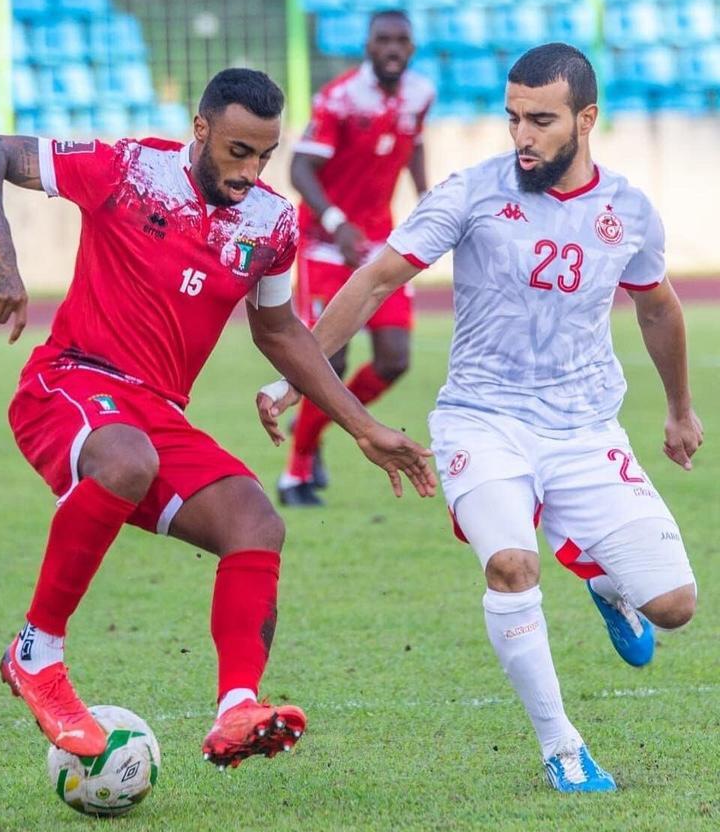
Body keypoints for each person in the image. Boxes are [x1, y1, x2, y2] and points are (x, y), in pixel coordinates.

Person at [0, 68, 437, 768]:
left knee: (255, 521)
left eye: (264, 156)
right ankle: (37, 653)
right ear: (201, 130)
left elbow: (278, 331)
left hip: (155, 415)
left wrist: (362, 425)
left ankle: (238, 707)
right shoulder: (128, 170)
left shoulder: (271, 222)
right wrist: (1, 251)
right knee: (127, 461)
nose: (251, 171)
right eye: (238, 151)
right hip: (71, 381)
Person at [257, 44, 700, 791]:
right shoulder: (471, 193)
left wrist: (681, 410)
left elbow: (657, 306)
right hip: (482, 421)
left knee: (676, 606)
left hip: (587, 429)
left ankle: (603, 581)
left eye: (541, 119)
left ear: (586, 120)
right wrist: (296, 376)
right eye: (512, 117)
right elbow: (373, 282)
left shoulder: (627, 210)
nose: (522, 135)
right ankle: (563, 748)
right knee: (511, 564)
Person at [279, 10, 435, 506]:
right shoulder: (340, 99)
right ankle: (296, 473)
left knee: (394, 360)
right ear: (368, 46)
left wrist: (429, 201)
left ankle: (318, 429)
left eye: (401, 41)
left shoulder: (420, 94)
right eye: (383, 40)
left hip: (380, 244)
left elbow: (411, 147)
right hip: (327, 243)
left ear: (411, 48)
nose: (392, 48)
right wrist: (336, 222)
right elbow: (299, 169)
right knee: (330, 356)